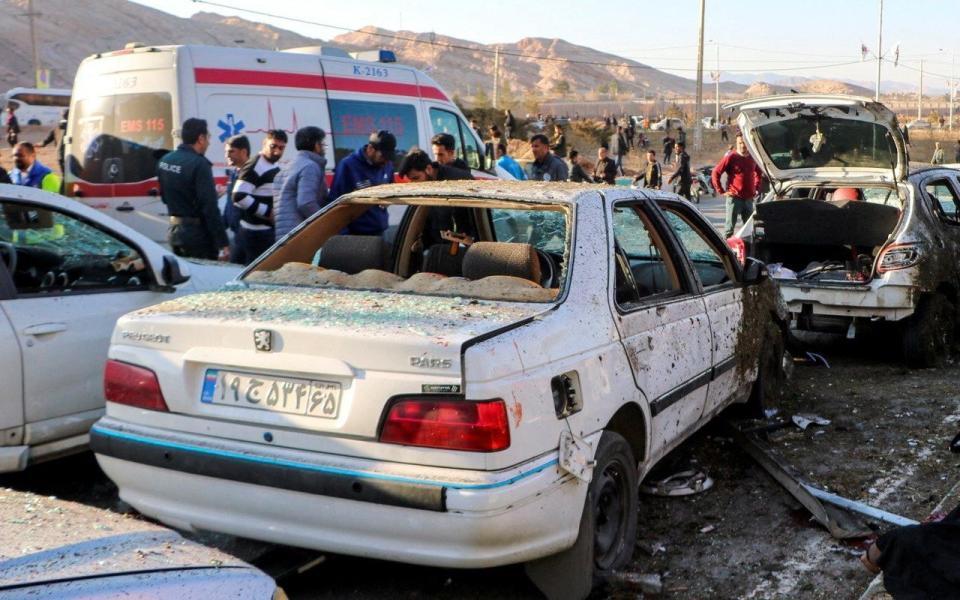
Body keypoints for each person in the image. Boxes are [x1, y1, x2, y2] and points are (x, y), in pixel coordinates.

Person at [156, 118, 229, 260]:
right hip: (197, 236)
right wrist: (223, 242)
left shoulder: (165, 160)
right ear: (200, 138)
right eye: (208, 137)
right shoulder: (199, 164)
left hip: (174, 231)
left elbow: (166, 197)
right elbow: (210, 208)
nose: (209, 142)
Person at [397, 149, 474, 249]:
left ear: (428, 169)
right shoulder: (424, 184)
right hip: (435, 246)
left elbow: (472, 219)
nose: (414, 184)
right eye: (410, 180)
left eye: (416, 178)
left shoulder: (456, 181)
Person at [230, 130, 286, 264]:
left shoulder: (272, 163)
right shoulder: (255, 165)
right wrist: (268, 212)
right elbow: (238, 196)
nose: (277, 151)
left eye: (281, 148)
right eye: (273, 146)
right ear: (264, 143)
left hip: (263, 232)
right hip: (255, 234)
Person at [326, 129, 396, 235]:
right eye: (383, 156)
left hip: (380, 231)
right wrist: (344, 236)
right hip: (356, 235)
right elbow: (335, 203)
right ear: (371, 149)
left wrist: (388, 200)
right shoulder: (348, 166)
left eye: (389, 158)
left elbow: (391, 187)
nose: (386, 161)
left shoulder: (387, 165)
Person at [273, 126, 327, 240]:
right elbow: (306, 203)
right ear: (316, 145)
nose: (324, 148)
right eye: (322, 144)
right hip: (301, 235)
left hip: (283, 235)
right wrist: (325, 222)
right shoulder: (309, 167)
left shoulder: (286, 168)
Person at [712, 133, 764, 238]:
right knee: (729, 231)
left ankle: (747, 252)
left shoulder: (753, 157)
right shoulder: (731, 157)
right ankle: (725, 252)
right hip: (734, 198)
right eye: (740, 143)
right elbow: (715, 172)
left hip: (749, 199)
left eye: (744, 143)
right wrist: (721, 191)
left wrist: (756, 188)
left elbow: (759, 173)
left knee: (749, 231)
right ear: (737, 143)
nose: (742, 145)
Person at [221, 134, 250, 252]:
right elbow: (230, 205)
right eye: (226, 152)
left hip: (248, 235)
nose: (227, 156)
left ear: (243, 152)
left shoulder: (252, 174)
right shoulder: (234, 174)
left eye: (231, 152)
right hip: (237, 234)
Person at [40, 109, 68, 177]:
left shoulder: (56, 127)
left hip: (59, 154)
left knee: (64, 175)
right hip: (69, 154)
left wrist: (41, 144)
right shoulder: (72, 127)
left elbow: (47, 140)